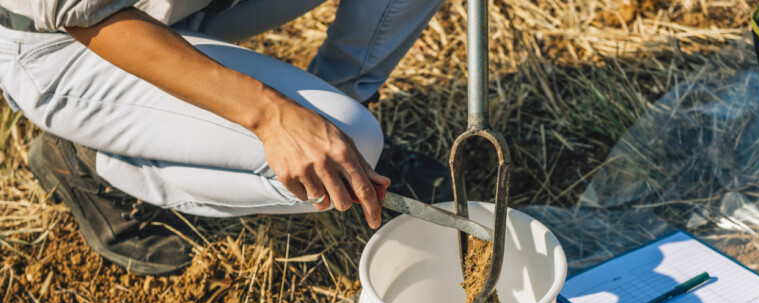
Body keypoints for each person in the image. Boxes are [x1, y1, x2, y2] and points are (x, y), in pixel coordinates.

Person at [0, 0, 446, 275]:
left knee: (341, 139)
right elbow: (82, 11)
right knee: (358, 138)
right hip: (72, 38)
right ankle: (91, 157)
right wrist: (272, 116)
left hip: (175, 5)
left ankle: (333, 128)